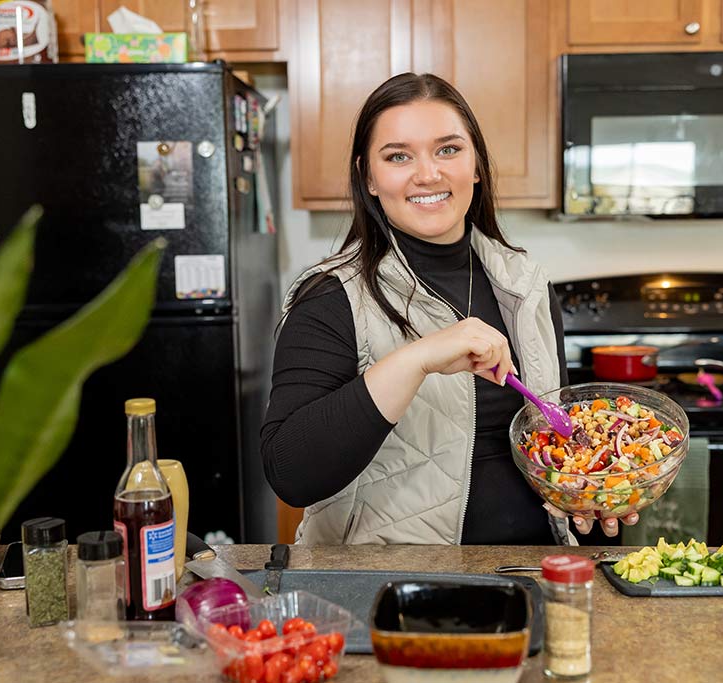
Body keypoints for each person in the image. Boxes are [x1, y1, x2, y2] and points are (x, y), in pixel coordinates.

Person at [261, 73, 637, 544]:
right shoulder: (331, 297)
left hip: (532, 576)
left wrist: (592, 496)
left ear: (476, 165)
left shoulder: (525, 284)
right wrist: (417, 359)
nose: (428, 174)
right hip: (394, 588)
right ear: (368, 178)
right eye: (398, 156)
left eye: (448, 150)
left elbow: (552, 443)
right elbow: (292, 475)